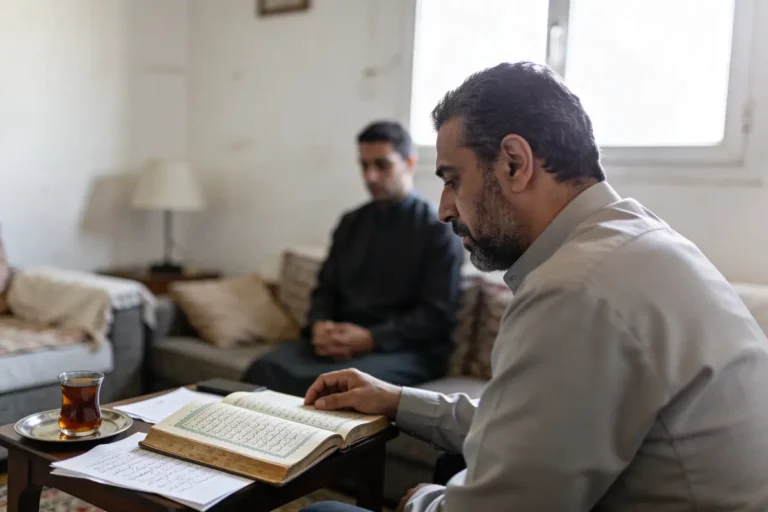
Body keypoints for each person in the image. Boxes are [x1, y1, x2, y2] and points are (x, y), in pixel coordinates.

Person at [300, 63, 768, 511]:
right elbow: (533, 424)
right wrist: (397, 400)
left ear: (514, 162)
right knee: (452, 461)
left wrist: (418, 501)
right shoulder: (638, 241)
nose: (445, 209)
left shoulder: (575, 289)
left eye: (452, 180)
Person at [244, 121, 465, 396]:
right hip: (339, 344)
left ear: (409, 163)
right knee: (262, 368)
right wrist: (321, 327)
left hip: (403, 350)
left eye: (382, 165)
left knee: (337, 386)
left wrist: (371, 339)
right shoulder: (351, 223)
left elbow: (436, 314)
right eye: (364, 165)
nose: (370, 176)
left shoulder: (437, 229)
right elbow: (325, 291)